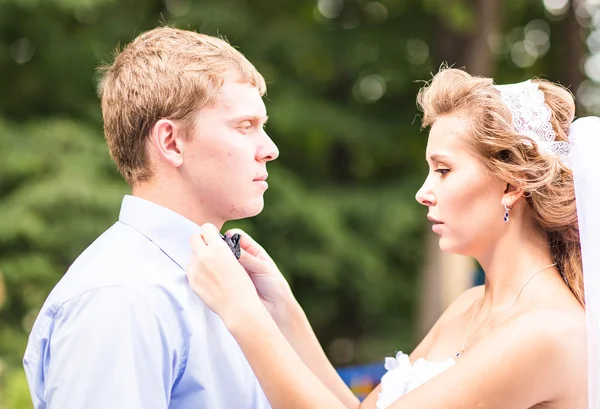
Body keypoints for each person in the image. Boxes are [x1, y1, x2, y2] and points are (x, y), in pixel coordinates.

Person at [185, 68, 589, 409]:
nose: (423, 192)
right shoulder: (470, 305)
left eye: (444, 170)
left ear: (510, 185)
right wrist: (281, 309)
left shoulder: (546, 331)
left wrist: (241, 314)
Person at [23, 26, 278, 409]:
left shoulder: (224, 280)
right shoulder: (120, 299)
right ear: (171, 142)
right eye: (245, 127)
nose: (269, 149)